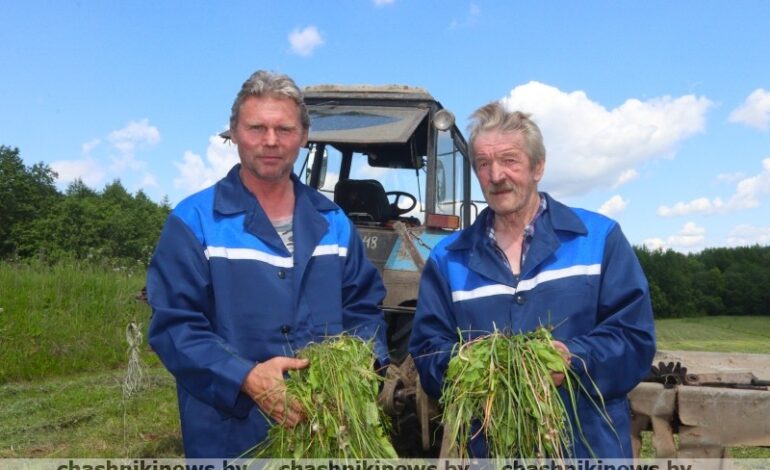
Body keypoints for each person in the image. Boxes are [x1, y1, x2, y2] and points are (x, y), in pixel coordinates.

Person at [147, 70, 389, 458]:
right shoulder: (194, 222)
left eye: (284, 129)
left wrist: (358, 368)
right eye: (257, 128)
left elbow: (363, 310)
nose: (271, 141)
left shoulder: (335, 224)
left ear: (304, 136)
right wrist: (245, 377)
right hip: (230, 435)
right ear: (234, 132)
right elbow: (175, 326)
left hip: (324, 430)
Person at [408, 102, 655, 458]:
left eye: (509, 160)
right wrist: (462, 363)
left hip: (588, 450)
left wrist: (572, 359)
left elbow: (634, 339)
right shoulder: (448, 258)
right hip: (490, 452)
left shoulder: (598, 239)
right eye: (483, 164)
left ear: (538, 166)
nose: (496, 175)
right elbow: (428, 350)